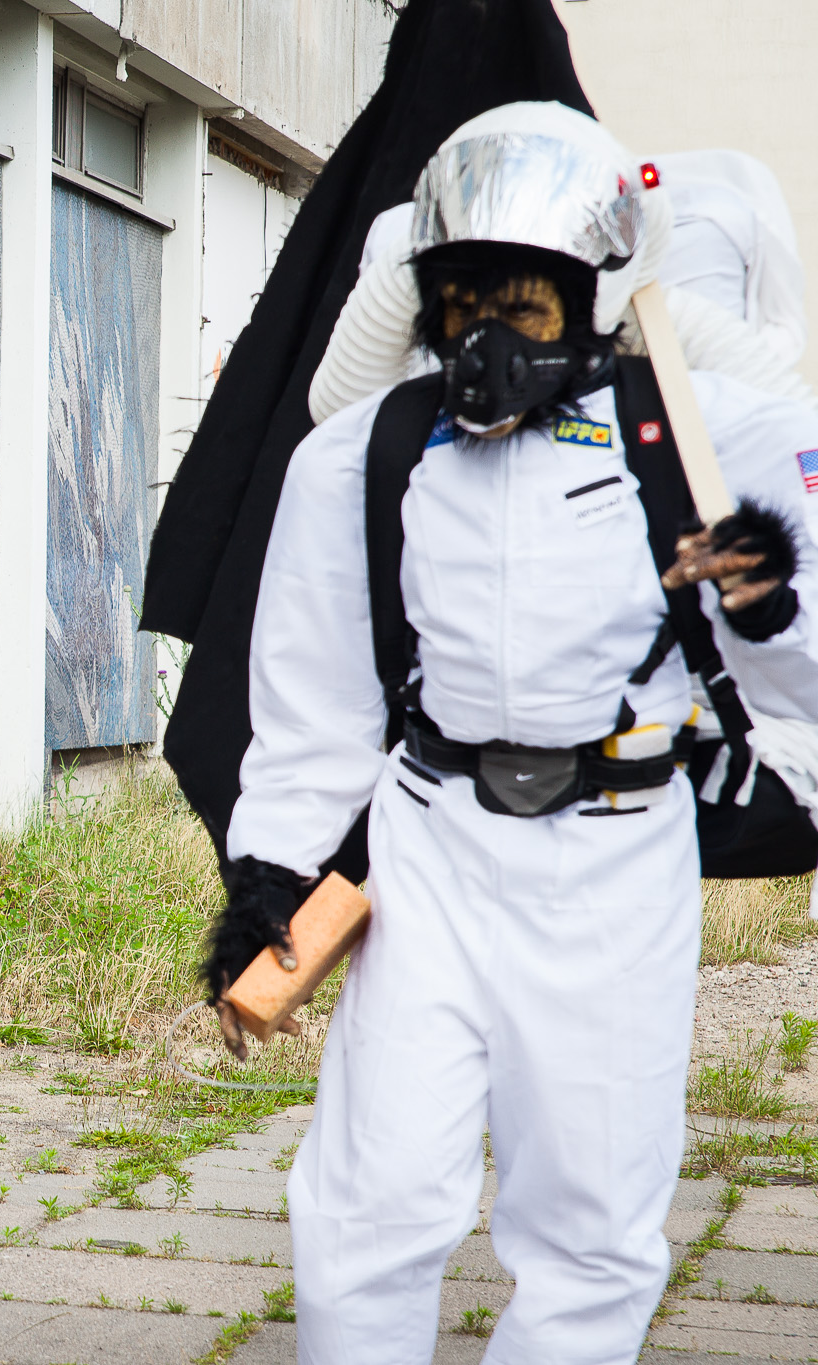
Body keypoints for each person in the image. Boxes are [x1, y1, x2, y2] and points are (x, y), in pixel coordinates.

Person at [208, 103, 818, 1361]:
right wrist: (268, 867)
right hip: (428, 846)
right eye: (458, 302)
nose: (483, 337)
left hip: (614, 855)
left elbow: (803, 675)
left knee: (590, 1219)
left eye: (521, 305)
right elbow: (313, 688)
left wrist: (768, 600)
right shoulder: (364, 456)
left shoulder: (707, 438)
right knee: (367, 1198)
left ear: (590, 292)